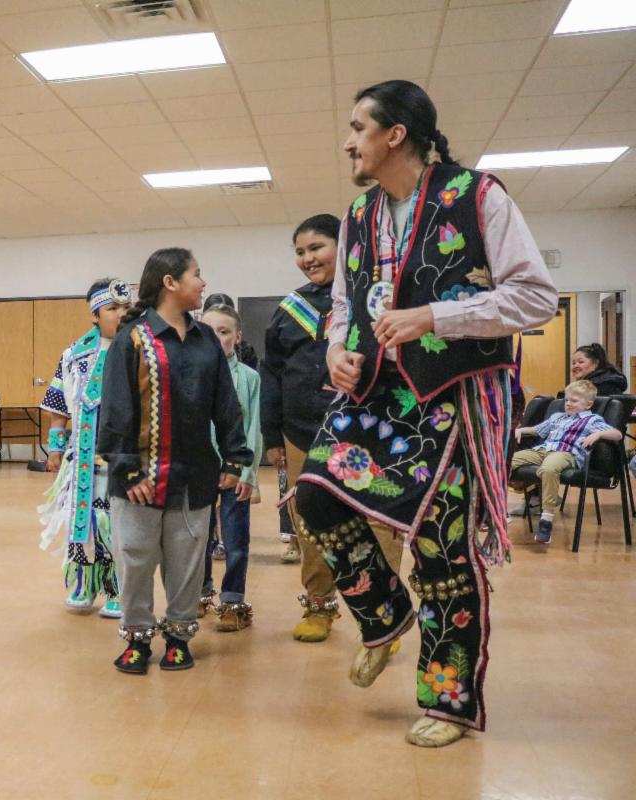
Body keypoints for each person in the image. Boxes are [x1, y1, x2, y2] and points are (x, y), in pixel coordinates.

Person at [292, 80, 558, 746]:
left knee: (442, 548)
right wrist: (335, 350)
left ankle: (448, 702)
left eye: (358, 128)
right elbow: (345, 305)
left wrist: (436, 316)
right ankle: (384, 615)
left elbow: (536, 298)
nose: (348, 142)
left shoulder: (477, 196)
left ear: (396, 135)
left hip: (451, 396)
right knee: (315, 494)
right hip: (374, 394)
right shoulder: (357, 215)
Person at [98, 248, 254, 674]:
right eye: (196, 274)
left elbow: (226, 405)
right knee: (135, 559)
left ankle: (179, 637)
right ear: (170, 282)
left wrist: (235, 458)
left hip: (194, 476)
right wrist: (128, 469)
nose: (203, 283)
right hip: (138, 480)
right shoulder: (132, 338)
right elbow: (115, 409)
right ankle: (137, 637)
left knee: (187, 561)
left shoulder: (205, 340)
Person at [261, 214, 405, 643]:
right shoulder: (289, 309)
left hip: (369, 431)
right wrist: (272, 435)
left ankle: (383, 612)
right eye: (300, 251)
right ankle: (319, 605)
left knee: (377, 518)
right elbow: (272, 374)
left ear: (342, 246)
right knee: (310, 522)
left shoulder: (375, 297)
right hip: (303, 432)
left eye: (316, 247)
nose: (308, 258)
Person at [37, 278, 131, 618]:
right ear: (95, 314)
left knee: (116, 522)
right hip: (82, 456)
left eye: (126, 308)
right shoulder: (73, 355)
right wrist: (55, 449)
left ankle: (119, 588)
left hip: (123, 456)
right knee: (81, 518)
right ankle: (84, 584)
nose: (121, 314)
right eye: (112, 308)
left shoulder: (137, 351)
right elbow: (58, 407)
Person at [198, 303, 262, 632]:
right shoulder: (192, 374)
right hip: (199, 470)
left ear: (237, 337)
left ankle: (233, 599)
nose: (216, 338)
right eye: (208, 331)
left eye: (223, 332)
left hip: (236, 471)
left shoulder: (249, 378)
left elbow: (254, 428)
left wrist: (247, 473)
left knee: (236, 540)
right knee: (198, 538)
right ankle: (200, 591)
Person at [511, 379, 621, 543]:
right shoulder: (558, 417)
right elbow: (536, 430)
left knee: (548, 469)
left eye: (574, 401)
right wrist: (520, 430)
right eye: (567, 400)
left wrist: (599, 434)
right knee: (507, 462)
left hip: (566, 453)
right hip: (543, 450)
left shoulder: (592, 420)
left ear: (588, 404)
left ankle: (546, 520)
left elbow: (617, 434)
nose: (568, 404)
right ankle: (493, 508)